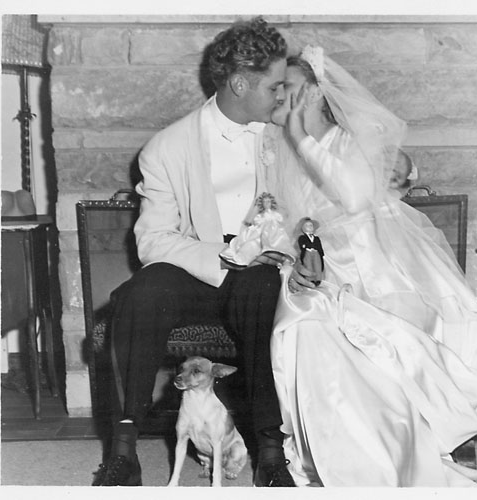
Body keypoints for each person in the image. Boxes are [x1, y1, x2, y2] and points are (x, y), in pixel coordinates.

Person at [262, 46, 477, 486]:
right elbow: (272, 217)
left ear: (315, 94)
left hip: (374, 256)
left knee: (389, 324)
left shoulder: (354, 136)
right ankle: (349, 446)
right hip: (319, 264)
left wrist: (300, 136)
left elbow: (354, 199)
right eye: (275, 89)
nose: (278, 98)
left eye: (289, 89)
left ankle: (421, 433)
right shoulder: (270, 147)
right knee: (310, 326)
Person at [92, 17, 296, 487]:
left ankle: (270, 452)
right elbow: (153, 240)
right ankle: (123, 452)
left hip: (258, 276)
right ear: (240, 84)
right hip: (198, 267)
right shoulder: (166, 148)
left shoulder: (281, 137)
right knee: (139, 294)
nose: (283, 96)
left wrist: (275, 253)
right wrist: (221, 257)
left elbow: (302, 215)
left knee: (262, 286)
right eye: (276, 86)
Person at [220, 192, 295, 267]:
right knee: (251, 244)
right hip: (260, 234)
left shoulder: (275, 214)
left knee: (276, 247)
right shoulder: (261, 216)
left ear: (272, 202)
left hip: (274, 234)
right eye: (264, 202)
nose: (266, 204)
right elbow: (256, 222)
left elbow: (280, 220)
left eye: (268, 201)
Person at [296, 217, 324, 284]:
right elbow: (302, 245)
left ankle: (318, 279)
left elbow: (319, 246)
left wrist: (322, 254)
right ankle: (310, 279)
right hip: (307, 253)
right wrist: (307, 246)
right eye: (307, 225)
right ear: (303, 228)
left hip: (316, 252)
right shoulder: (302, 238)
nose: (309, 227)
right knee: (308, 265)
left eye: (311, 225)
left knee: (317, 265)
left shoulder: (316, 238)